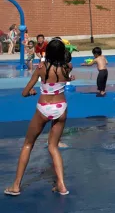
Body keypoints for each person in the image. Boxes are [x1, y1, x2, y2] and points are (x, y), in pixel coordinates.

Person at [4, 39, 70, 196]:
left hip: (44, 107)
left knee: (28, 144)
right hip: (61, 108)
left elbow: (25, 92)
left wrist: (31, 92)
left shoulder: (41, 69)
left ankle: (16, 185)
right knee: (53, 147)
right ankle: (61, 185)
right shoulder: (67, 68)